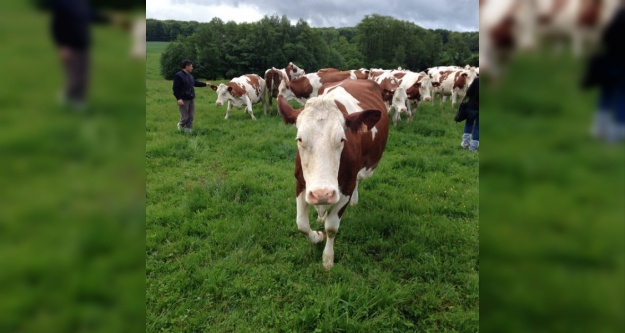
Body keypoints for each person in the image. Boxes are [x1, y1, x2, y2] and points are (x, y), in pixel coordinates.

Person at [50, 0, 129, 110]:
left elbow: (91, 16)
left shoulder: (82, 3)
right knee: (75, 77)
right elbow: (56, 25)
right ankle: (67, 97)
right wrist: (62, 46)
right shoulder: (62, 3)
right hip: (69, 46)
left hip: (83, 44)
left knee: (84, 75)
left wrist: (109, 19)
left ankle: (79, 102)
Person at [584, 2, 625, 143]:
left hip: (611, 61)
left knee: (606, 94)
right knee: (622, 98)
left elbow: (606, 37)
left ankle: (599, 127)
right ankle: (616, 133)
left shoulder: (616, 17)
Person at [172, 60, 211, 133]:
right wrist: (179, 98)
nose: (192, 67)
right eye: (191, 66)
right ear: (187, 66)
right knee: (185, 117)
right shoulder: (179, 75)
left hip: (191, 98)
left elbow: (195, 83)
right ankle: (180, 125)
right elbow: (175, 88)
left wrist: (205, 84)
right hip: (183, 99)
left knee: (191, 116)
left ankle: (188, 129)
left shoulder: (190, 75)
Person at [461, 77, 480, 151]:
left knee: (469, 123)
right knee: (478, 127)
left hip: (472, 106)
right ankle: (473, 147)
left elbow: (468, 92)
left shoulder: (477, 80)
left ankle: (466, 142)